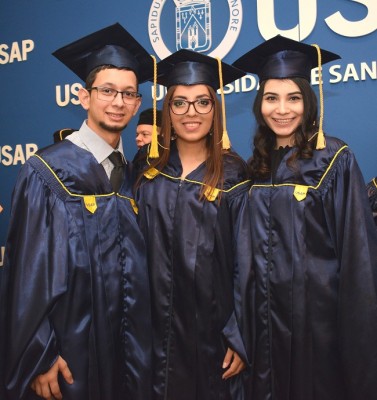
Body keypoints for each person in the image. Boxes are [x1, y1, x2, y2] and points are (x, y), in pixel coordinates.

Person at [0, 23, 153, 400]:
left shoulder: (134, 175)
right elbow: (26, 273)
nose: (118, 102)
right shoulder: (48, 171)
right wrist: (40, 352)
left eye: (128, 94)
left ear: (137, 104)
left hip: (126, 346)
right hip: (70, 349)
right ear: (84, 97)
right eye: (107, 91)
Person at [232, 35, 377, 399]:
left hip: (318, 329)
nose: (282, 109)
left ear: (309, 103)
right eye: (271, 98)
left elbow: (359, 258)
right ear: (259, 104)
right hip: (263, 329)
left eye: (293, 98)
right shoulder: (255, 168)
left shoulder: (334, 160)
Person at [134, 49, 252, 399]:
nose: (191, 113)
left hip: (211, 333)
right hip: (150, 330)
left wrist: (240, 331)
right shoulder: (145, 169)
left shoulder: (234, 175)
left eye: (203, 102)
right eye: (180, 103)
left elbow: (248, 263)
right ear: (167, 111)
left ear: (216, 110)